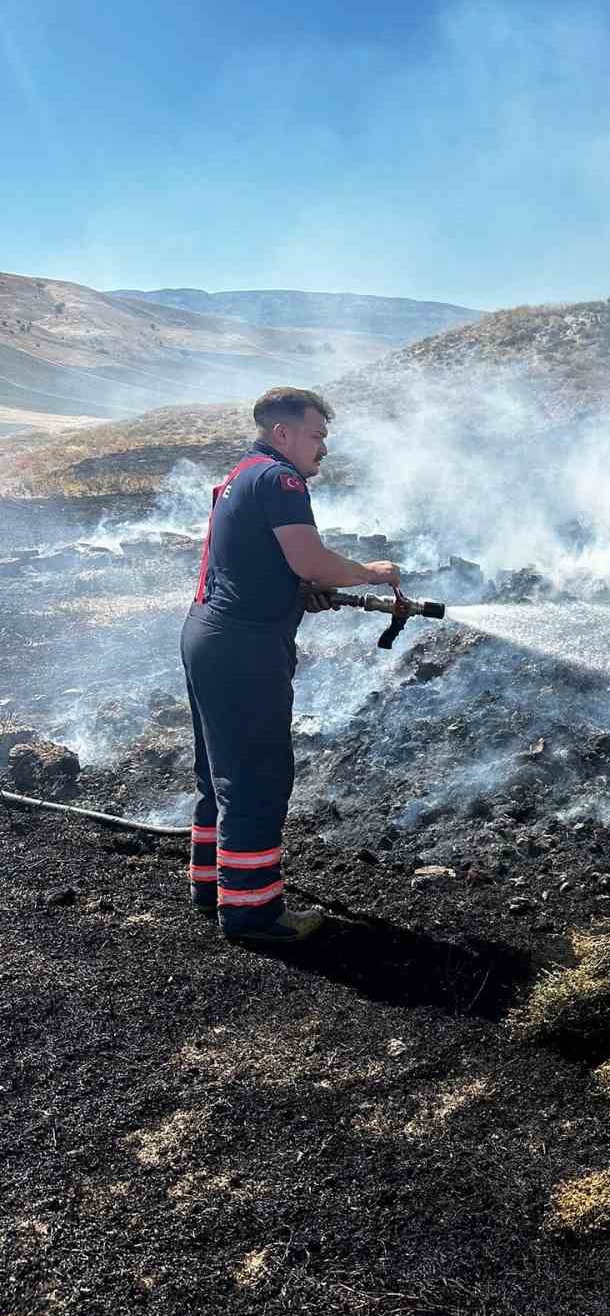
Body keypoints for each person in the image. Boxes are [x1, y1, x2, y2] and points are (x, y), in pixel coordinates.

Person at [180, 387, 402, 945]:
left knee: (221, 773)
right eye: (316, 436)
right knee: (258, 777)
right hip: (244, 648)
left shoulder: (241, 475)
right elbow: (309, 559)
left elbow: (262, 564)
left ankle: (214, 888)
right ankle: (253, 915)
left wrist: (300, 591)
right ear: (283, 433)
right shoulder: (281, 479)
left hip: (210, 635)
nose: (322, 449)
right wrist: (372, 572)